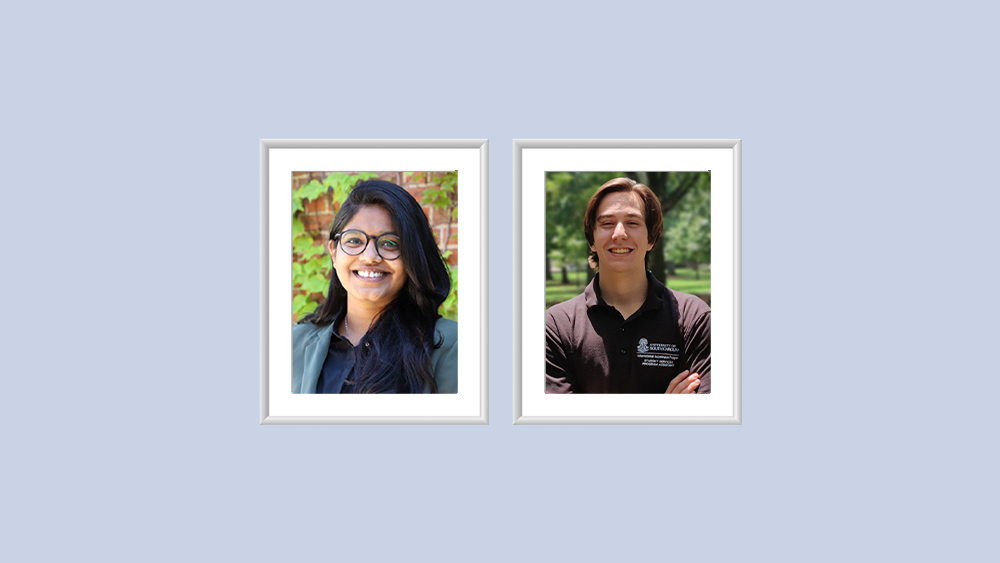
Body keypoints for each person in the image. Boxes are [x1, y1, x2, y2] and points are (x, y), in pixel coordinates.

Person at [545, 177, 711, 394]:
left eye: (632, 223)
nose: (619, 234)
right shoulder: (557, 325)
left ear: (651, 238)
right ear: (592, 240)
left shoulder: (694, 318)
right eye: (607, 223)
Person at [292, 180, 457, 394]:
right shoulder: (295, 342)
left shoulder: (450, 345)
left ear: (413, 256)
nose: (369, 257)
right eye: (354, 241)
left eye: (390, 243)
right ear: (333, 252)